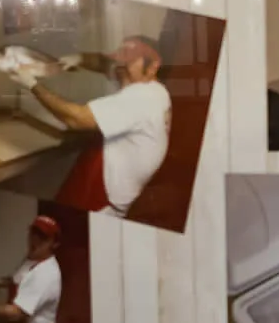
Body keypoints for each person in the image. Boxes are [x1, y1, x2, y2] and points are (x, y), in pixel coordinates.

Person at [11, 36, 172, 217]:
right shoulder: (152, 88)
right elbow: (105, 63)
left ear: (153, 65)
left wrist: (31, 84)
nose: (120, 66)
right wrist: (79, 58)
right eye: (121, 57)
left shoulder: (142, 97)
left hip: (103, 199)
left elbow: (75, 118)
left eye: (129, 59)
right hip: (100, 179)